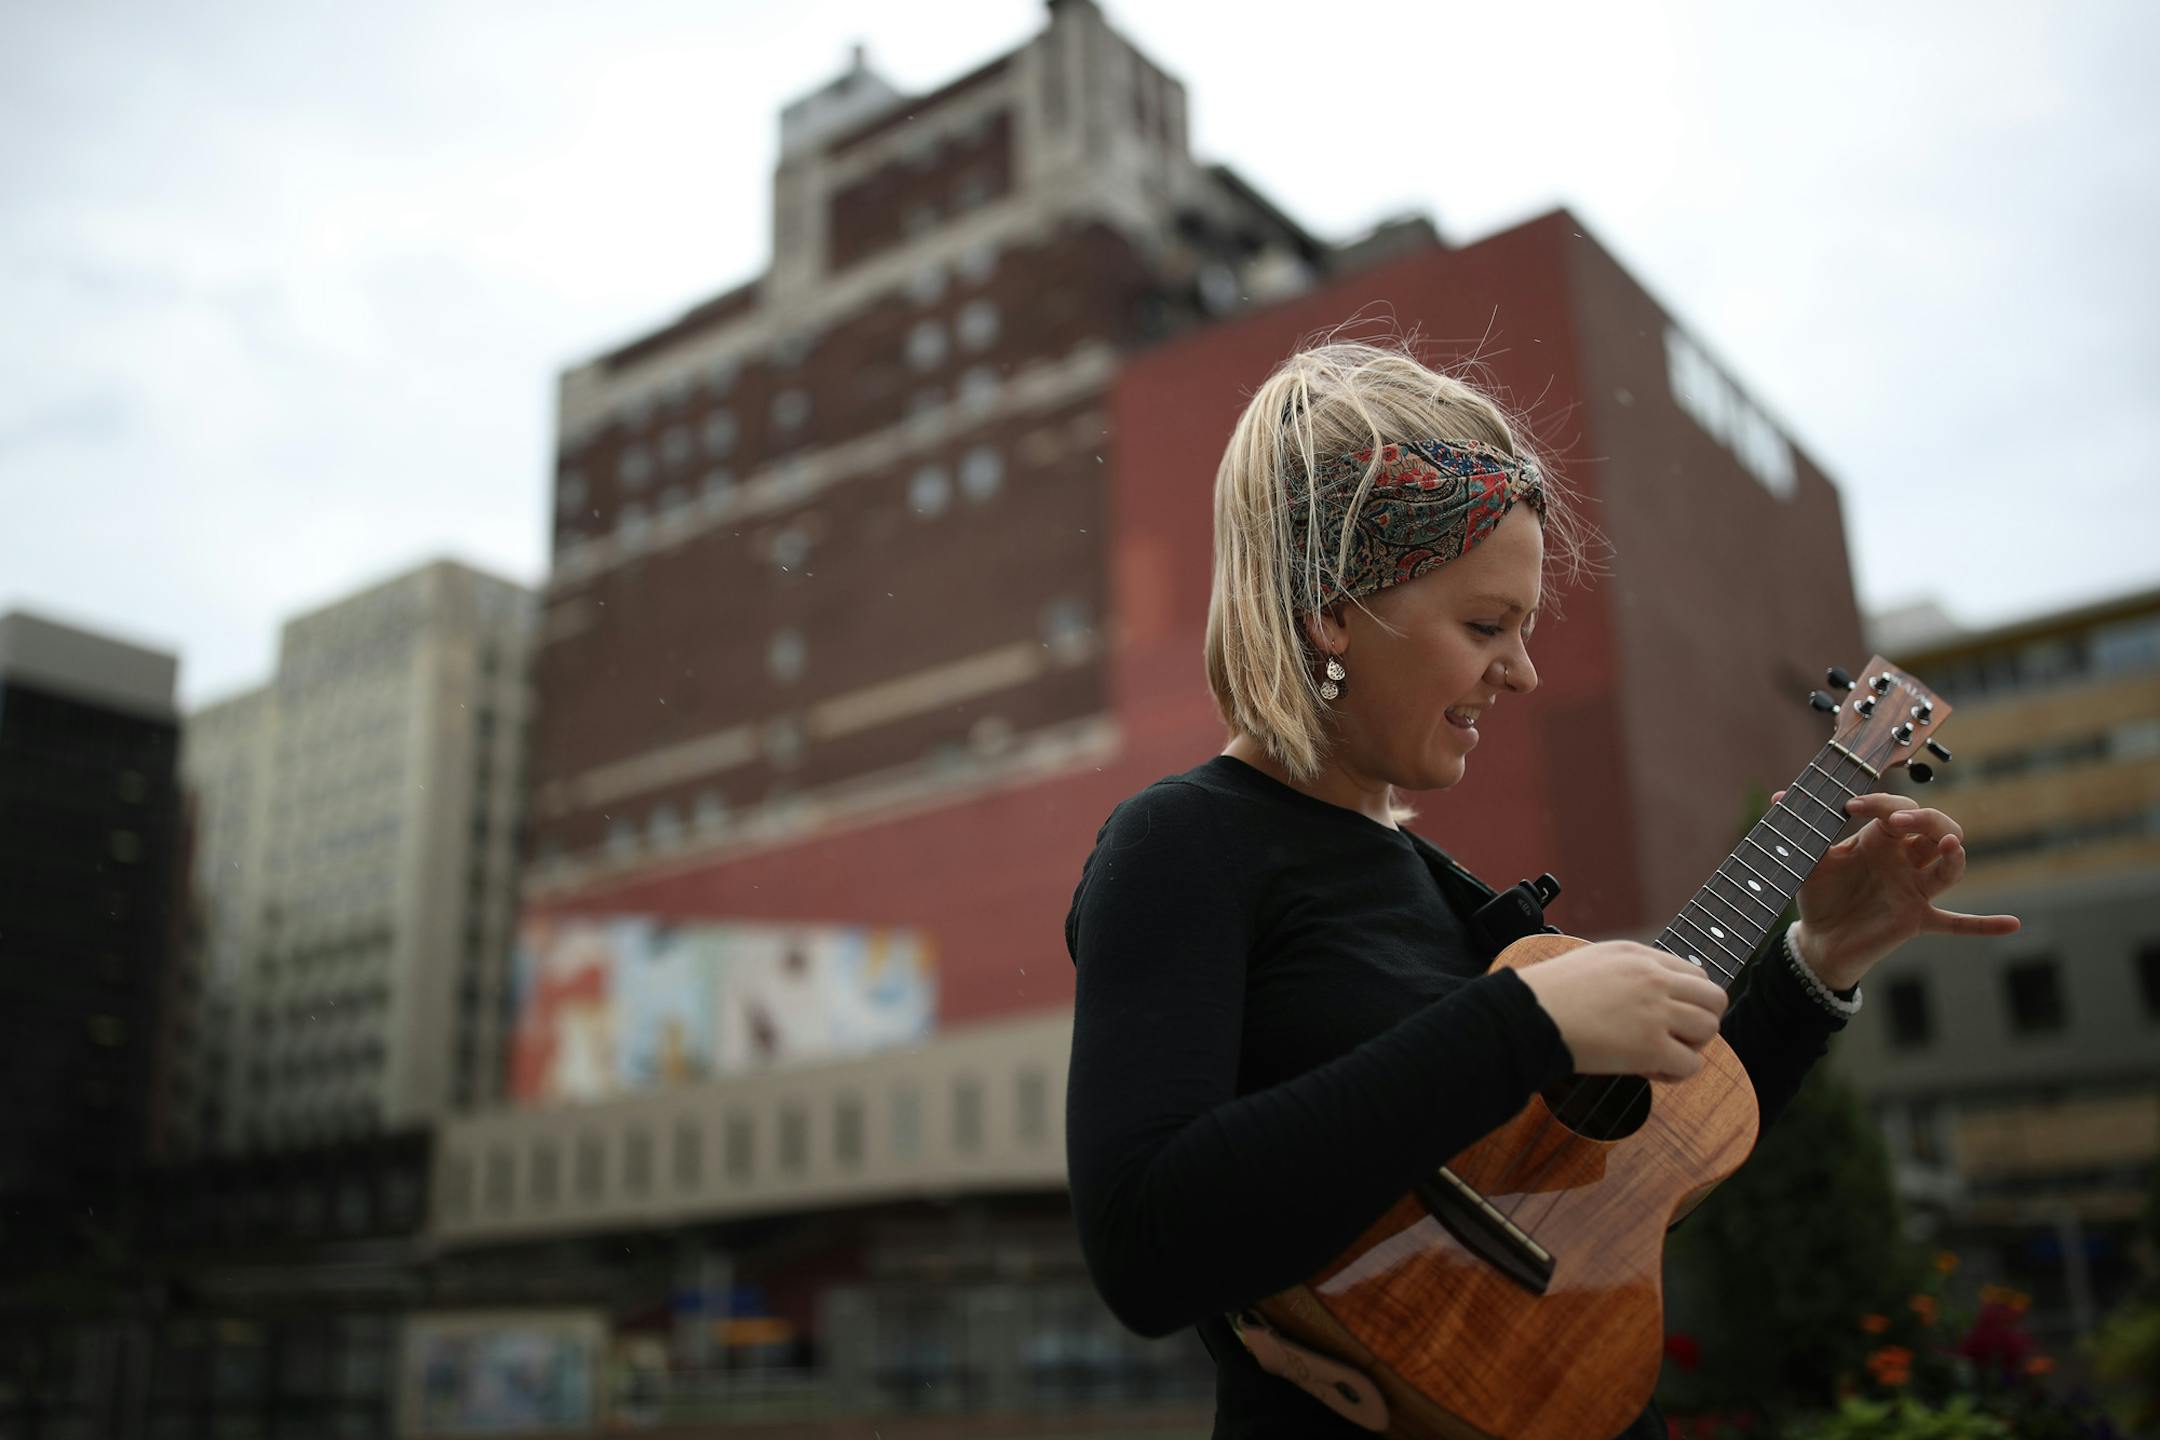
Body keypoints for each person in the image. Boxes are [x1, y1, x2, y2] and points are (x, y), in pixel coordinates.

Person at [1061, 338, 2019, 1438]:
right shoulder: (1181, 844)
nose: (1522, 671)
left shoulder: (1436, 886)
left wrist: (1819, 964)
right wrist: (1520, 1023)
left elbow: (1622, 1175)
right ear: (1330, 610)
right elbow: (1142, 1243)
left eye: (1524, 627)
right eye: (1485, 626)